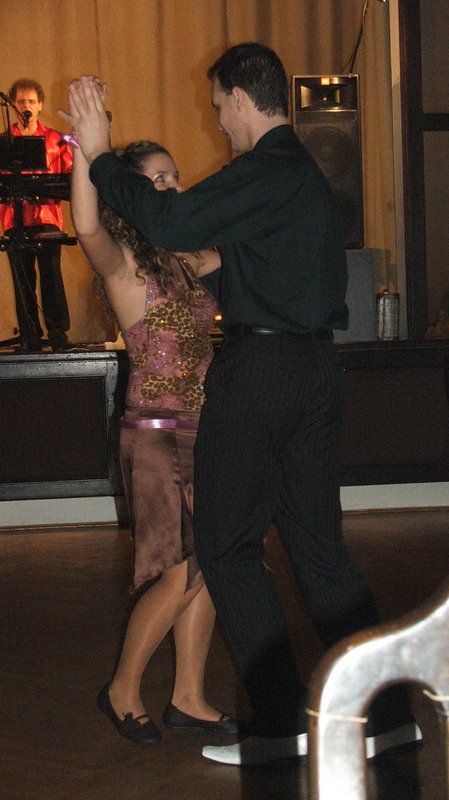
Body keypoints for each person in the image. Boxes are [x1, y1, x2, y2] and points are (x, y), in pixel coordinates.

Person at [61, 43, 422, 765]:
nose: (218, 119)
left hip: (262, 374)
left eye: (219, 104)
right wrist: (215, 268)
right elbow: (259, 270)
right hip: (314, 370)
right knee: (319, 554)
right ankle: (386, 719)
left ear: (240, 97)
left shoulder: (267, 169)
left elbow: (174, 222)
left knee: (225, 550)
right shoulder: (304, 179)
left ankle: (279, 727)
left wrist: (98, 153)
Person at [69, 135, 233, 746]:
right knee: (179, 572)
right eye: (157, 179)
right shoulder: (124, 265)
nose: (172, 187)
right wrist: (86, 150)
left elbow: (245, 243)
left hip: (204, 431)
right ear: (129, 195)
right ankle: (121, 690)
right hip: (156, 436)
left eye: (175, 176)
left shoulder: (186, 259)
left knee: (210, 565)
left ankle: (188, 697)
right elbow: (86, 225)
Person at [0, 79, 73, 351]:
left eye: (31, 101)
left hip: (47, 218)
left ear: (40, 105)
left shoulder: (57, 139)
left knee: (51, 276)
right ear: (12, 105)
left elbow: (70, 174)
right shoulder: (3, 142)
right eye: (21, 101)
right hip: (15, 219)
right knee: (23, 280)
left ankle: (58, 335)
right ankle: (30, 337)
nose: (26, 106)